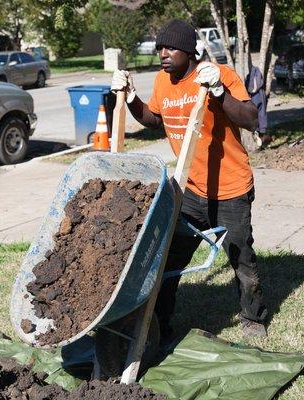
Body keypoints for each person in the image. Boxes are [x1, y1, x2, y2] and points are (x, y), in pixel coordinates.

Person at [111, 19, 268, 341]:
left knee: (241, 258)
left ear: (188, 50)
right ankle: (159, 323)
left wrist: (219, 92)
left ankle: (253, 317)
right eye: (159, 49)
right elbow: (155, 120)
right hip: (188, 190)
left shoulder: (219, 74)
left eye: (169, 48)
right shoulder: (163, 81)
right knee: (168, 260)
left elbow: (252, 120)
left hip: (230, 189)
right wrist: (130, 98)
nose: (162, 54)